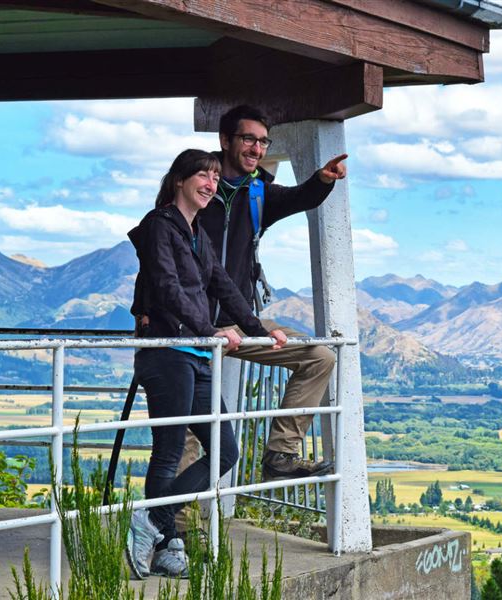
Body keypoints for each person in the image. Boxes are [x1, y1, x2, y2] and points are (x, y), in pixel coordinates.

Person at [125, 149, 287, 579]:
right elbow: (165, 287)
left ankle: (152, 523)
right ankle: (162, 535)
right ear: (180, 179)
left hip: (196, 355)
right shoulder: (160, 227)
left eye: (216, 177)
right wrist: (208, 330)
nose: (212, 184)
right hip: (168, 354)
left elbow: (224, 285)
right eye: (203, 175)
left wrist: (257, 330)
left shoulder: (199, 234)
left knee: (225, 449)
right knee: (169, 453)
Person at [194, 104, 347, 481]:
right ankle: (178, 530)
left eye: (263, 142)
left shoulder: (258, 192)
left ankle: (280, 457)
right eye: (249, 139)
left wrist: (322, 180)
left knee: (319, 357)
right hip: (191, 325)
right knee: (188, 432)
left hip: (239, 322)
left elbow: (299, 198)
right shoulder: (195, 186)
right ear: (225, 140)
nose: (257, 149)